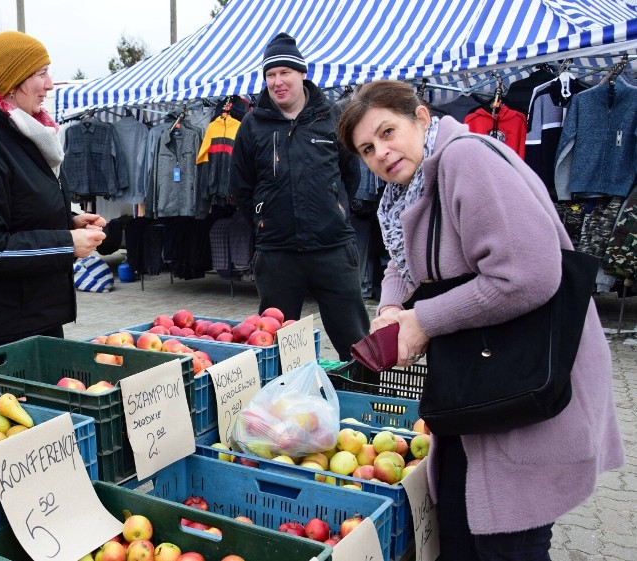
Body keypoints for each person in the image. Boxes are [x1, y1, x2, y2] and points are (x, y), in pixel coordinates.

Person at [337, 80, 624, 560]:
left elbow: (528, 275)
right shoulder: (405, 196)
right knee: (460, 524)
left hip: (529, 384)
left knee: (509, 542)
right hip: (485, 383)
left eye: (388, 133)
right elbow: (402, 263)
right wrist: (391, 308)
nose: (381, 153)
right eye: (367, 149)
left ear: (422, 118)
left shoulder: (465, 161)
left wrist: (423, 321)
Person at [0, 31, 106, 352]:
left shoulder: (24, 133)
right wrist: (65, 244)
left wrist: (69, 220)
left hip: (37, 312)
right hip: (5, 324)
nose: (50, 85)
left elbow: (21, 203)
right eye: (41, 74)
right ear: (11, 83)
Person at [229, 32, 369, 360]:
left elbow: (351, 175)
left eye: (285, 73)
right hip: (277, 254)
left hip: (332, 249)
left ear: (302, 74)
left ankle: (364, 402)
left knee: (356, 343)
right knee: (276, 347)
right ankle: (283, 408)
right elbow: (241, 188)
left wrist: (331, 209)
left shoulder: (332, 118)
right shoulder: (252, 125)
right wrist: (265, 221)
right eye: (270, 75)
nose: (278, 82)